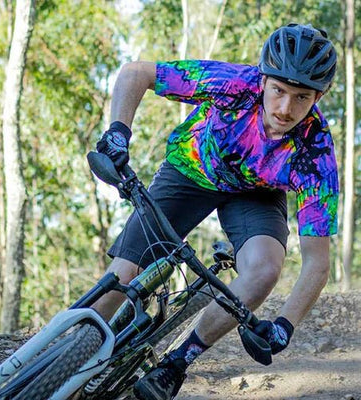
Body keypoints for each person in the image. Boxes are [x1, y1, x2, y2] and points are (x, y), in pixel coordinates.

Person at [94, 23, 339, 400]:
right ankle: (65, 353)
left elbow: (317, 262)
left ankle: (177, 363)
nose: (285, 109)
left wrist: (285, 325)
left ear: (319, 96)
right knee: (123, 275)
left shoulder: (315, 152)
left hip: (256, 194)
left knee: (264, 269)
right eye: (278, 91)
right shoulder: (234, 84)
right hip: (191, 170)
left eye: (301, 97)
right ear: (263, 80)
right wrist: (118, 132)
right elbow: (136, 73)